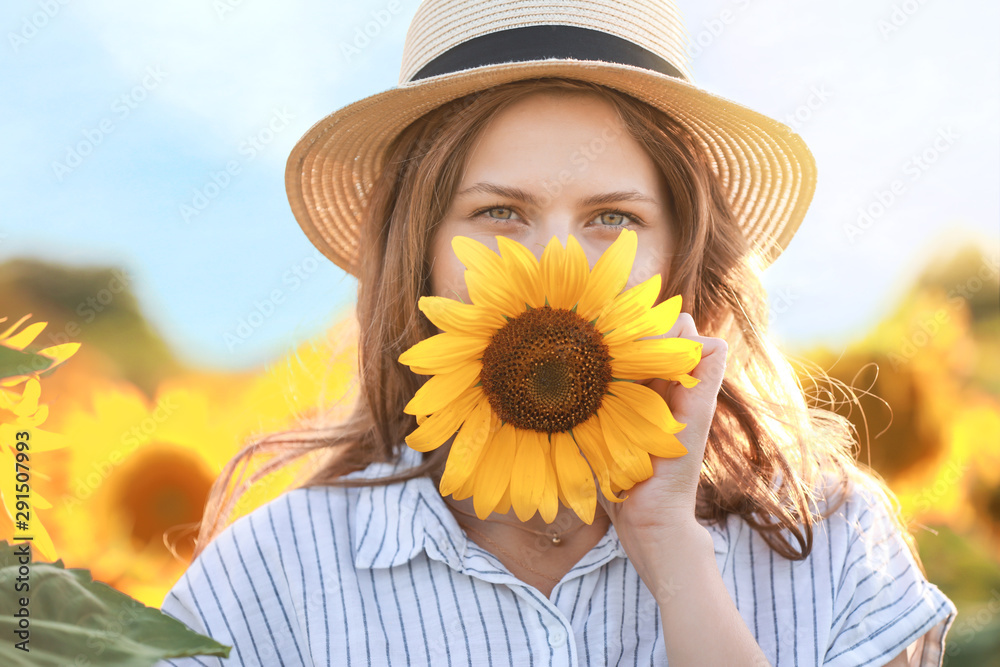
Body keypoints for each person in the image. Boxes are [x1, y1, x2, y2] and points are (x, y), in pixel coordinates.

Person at [155, 0, 956, 665]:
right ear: (420, 250)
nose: (555, 262)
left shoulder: (829, 542)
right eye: (499, 212)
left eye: (614, 217)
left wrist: (670, 546)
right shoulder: (271, 582)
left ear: (682, 252)